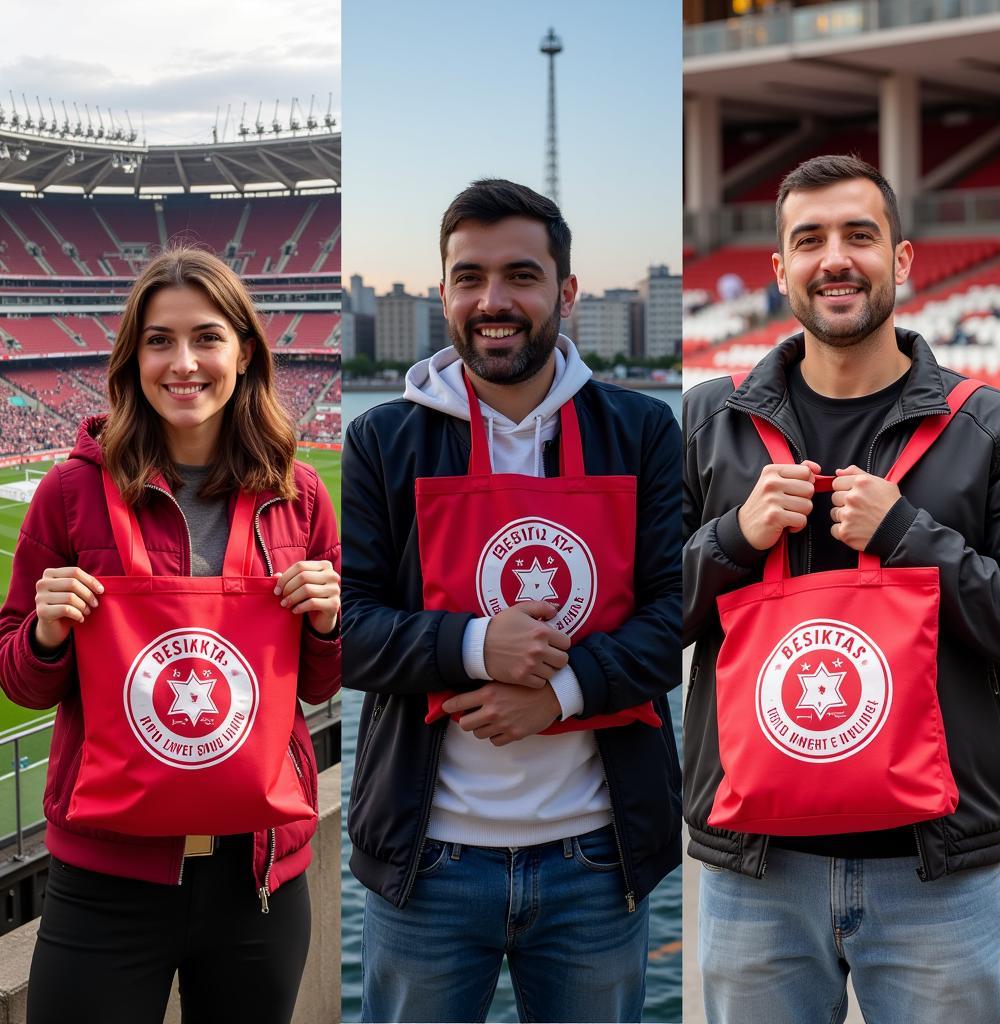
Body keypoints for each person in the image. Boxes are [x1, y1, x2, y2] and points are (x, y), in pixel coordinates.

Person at [683, 154, 1000, 1023]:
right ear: (780, 270)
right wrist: (731, 540)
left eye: (860, 236)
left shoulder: (990, 426)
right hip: (755, 870)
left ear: (903, 260)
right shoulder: (709, 422)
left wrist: (911, 538)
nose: (835, 258)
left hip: (936, 872)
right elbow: (640, 616)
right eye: (810, 239)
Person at [342, 179, 682, 1023]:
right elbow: (343, 630)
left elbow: (679, 615)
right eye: (469, 277)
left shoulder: (642, 431)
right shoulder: (382, 440)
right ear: (445, 292)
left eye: (521, 275)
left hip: (598, 863)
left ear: (565, 292)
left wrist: (558, 697)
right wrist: (470, 645)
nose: (493, 301)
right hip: (427, 865)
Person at [0, 248, 341, 1024]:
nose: (182, 362)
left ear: (244, 350)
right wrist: (48, 634)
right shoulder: (70, 492)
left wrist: (329, 620)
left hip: (259, 877)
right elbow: (20, 676)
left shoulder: (302, 494)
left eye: (206, 337)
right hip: (105, 876)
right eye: (159, 340)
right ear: (131, 355)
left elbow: (321, 682)